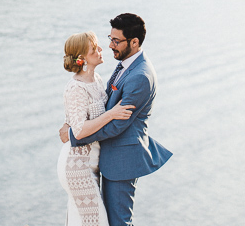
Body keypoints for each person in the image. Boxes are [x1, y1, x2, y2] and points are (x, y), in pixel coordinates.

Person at [60, 13, 172, 226]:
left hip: (122, 160)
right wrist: (71, 122)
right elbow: (100, 106)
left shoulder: (140, 76)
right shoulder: (124, 65)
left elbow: (116, 125)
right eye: (110, 38)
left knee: (119, 222)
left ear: (134, 42)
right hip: (107, 157)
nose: (110, 45)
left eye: (116, 41)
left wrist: (76, 134)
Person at [58, 31, 135, 226]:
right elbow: (79, 131)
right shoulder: (76, 88)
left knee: (83, 221)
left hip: (93, 164)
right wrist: (112, 114)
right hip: (77, 166)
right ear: (82, 59)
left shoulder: (98, 80)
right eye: (95, 49)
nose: (102, 49)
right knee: (96, 222)